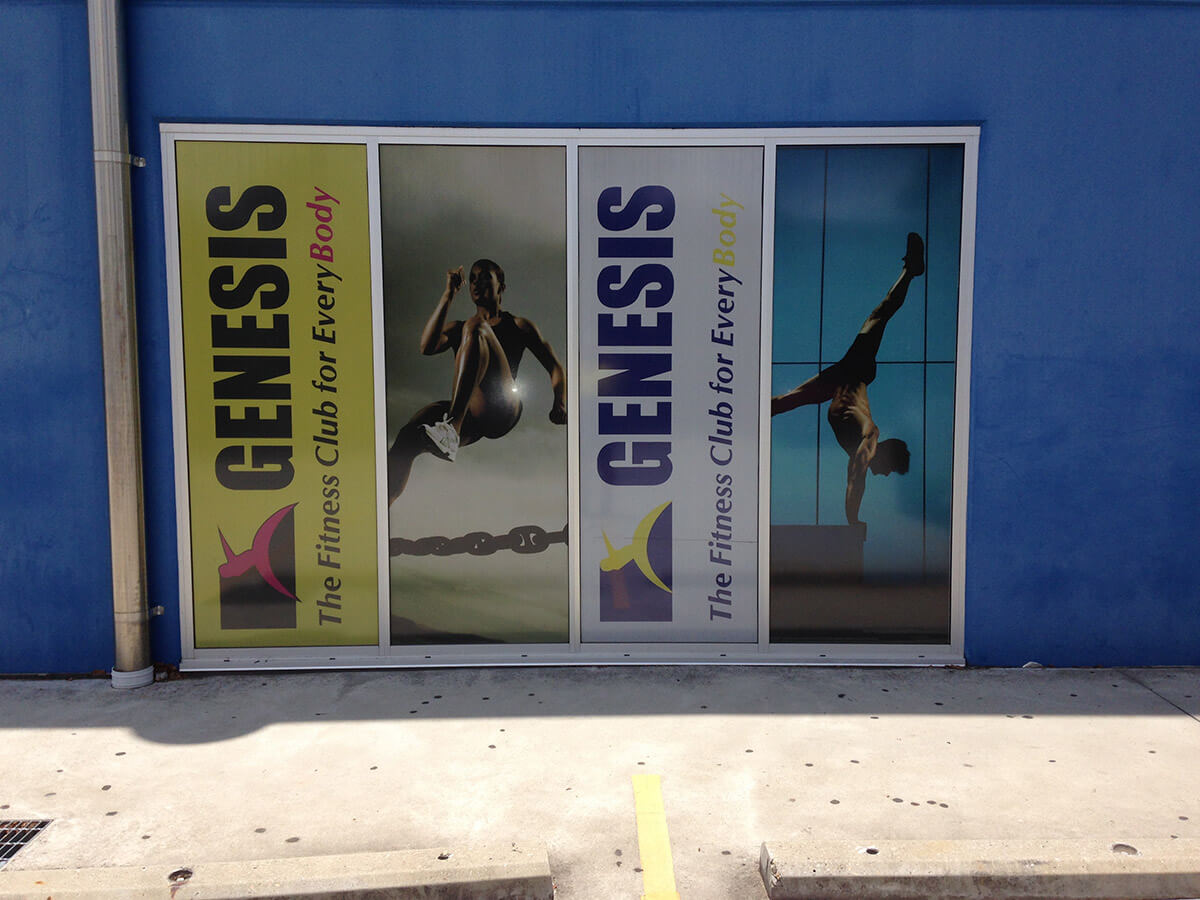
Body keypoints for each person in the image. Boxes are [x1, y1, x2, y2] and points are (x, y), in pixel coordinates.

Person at [771, 232, 924, 528]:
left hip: (837, 383)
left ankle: (737, 410)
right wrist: (853, 521)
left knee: (780, 404)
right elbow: (857, 477)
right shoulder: (870, 438)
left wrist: (852, 520)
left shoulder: (858, 447)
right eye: (890, 470)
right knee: (880, 314)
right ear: (885, 454)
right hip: (854, 373)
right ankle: (911, 271)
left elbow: (854, 475)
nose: (885, 475)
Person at [386, 259, 566, 505]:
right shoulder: (461, 328)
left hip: (503, 407)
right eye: (472, 279)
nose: (476, 283)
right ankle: (383, 505)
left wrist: (559, 402)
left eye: (485, 278)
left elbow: (555, 366)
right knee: (408, 436)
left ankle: (451, 428)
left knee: (477, 327)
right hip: (472, 416)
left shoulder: (518, 325)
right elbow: (427, 346)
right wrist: (448, 295)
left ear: (501, 286)